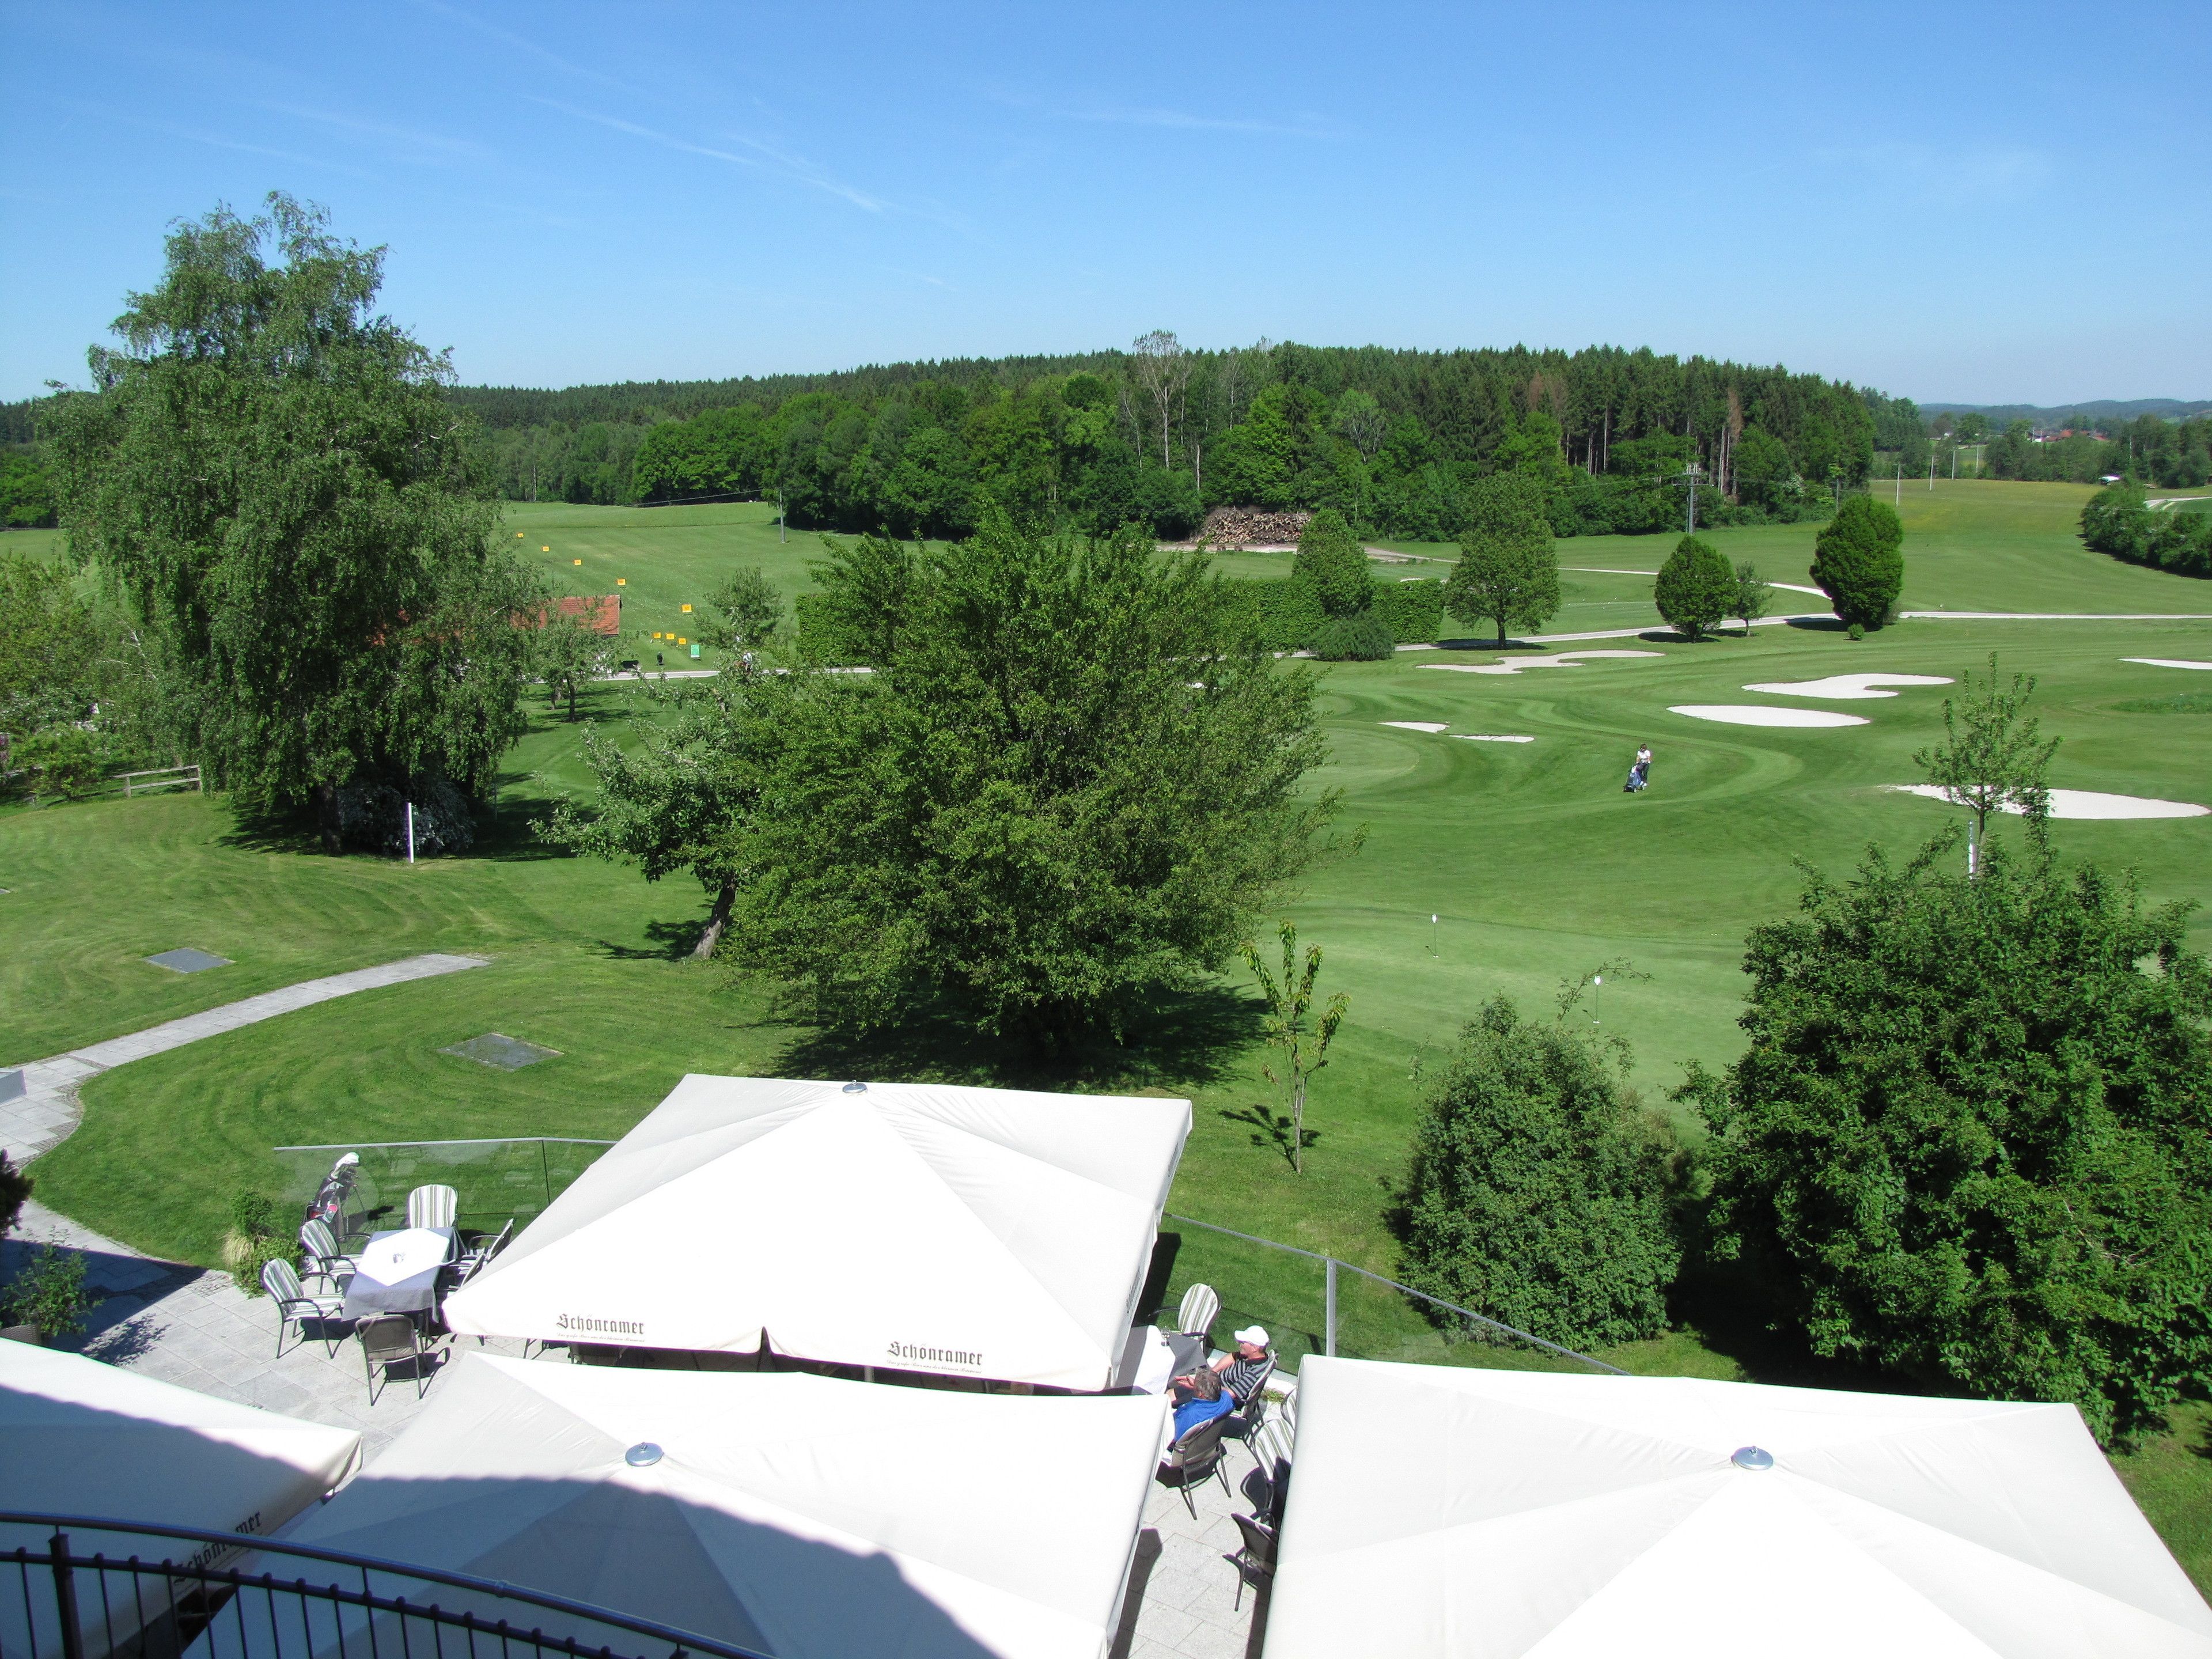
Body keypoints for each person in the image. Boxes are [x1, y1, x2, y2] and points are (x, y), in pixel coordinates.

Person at [1174, 1326, 1275, 1406]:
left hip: (1218, 1395)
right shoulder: (1255, 1356)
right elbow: (1233, 1356)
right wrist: (1212, 1372)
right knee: (1182, 1380)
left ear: (1255, 1348)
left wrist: (1201, 1384)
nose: (1239, 1344)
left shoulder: (1254, 1372)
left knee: (1175, 1394)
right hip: (1213, 1383)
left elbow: (1231, 1394)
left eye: (1243, 1342)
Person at [1171, 1365, 1233, 1440]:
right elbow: (1223, 1391)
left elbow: (1172, 1438)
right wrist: (1199, 1384)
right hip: (1206, 1441)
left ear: (1201, 1393)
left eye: (1196, 1385)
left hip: (1180, 1441)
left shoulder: (1190, 1414)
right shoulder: (1227, 1399)